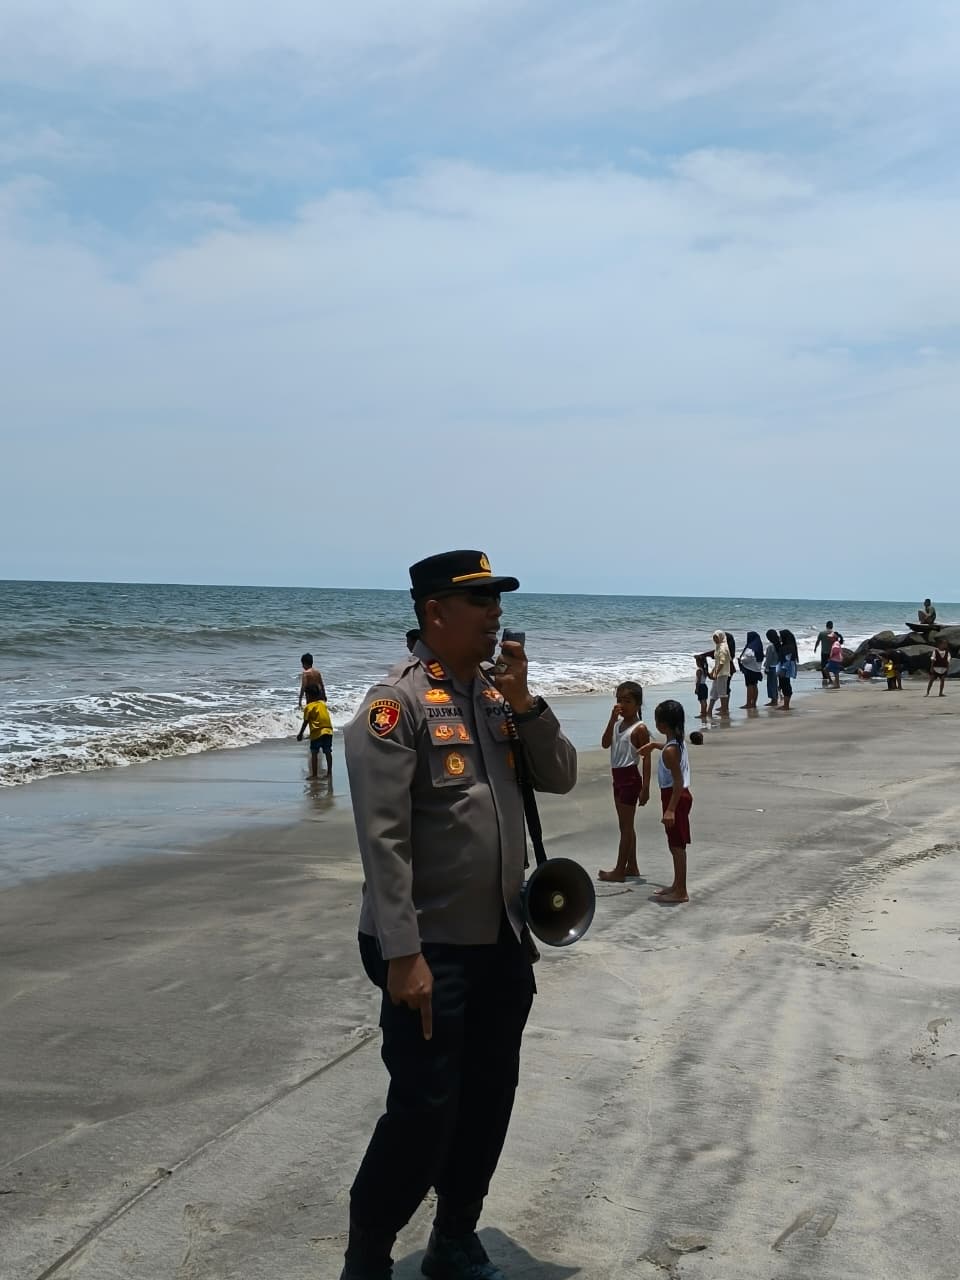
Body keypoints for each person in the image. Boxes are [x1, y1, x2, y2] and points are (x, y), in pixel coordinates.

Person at [340, 550, 577, 1280]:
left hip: (500, 942)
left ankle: (455, 1236)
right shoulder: (396, 705)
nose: (494, 615)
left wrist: (529, 700)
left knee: (487, 1099)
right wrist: (403, 954)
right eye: (479, 602)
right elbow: (381, 839)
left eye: (496, 601)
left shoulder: (500, 701)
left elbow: (561, 774)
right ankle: (368, 1254)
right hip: (427, 948)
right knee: (423, 1110)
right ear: (435, 612)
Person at [639, 699, 692, 904]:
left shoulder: (671, 751)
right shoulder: (676, 742)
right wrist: (654, 745)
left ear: (661, 725)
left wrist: (670, 810)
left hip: (675, 796)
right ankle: (677, 884)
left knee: (677, 845)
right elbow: (669, 750)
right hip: (677, 795)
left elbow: (678, 781)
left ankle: (682, 891)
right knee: (674, 843)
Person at [598, 682, 651, 882]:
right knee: (625, 825)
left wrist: (645, 788)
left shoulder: (640, 729)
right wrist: (611, 720)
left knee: (626, 827)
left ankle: (620, 869)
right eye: (619, 700)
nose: (622, 705)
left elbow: (646, 759)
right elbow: (604, 744)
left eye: (627, 701)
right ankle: (632, 865)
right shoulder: (618, 725)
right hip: (617, 776)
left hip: (630, 778)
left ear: (638, 704)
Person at [297, 684, 333, 778]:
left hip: (317, 733)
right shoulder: (322, 704)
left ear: (308, 696)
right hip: (328, 731)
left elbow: (306, 722)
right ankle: (329, 773)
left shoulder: (308, 707)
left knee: (314, 753)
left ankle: (314, 775)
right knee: (328, 752)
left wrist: (300, 734)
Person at [707, 630, 733, 718]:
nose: (715, 640)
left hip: (723, 673)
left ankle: (724, 710)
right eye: (714, 638)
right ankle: (709, 710)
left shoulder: (723, 648)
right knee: (714, 691)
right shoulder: (718, 647)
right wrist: (713, 671)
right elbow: (717, 662)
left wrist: (716, 672)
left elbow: (722, 663)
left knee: (722, 693)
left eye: (716, 638)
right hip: (718, 673)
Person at [738, 632, 764, 709]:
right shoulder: (758, 646)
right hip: (756, 669)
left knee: (749, 686)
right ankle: (754, 703)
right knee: (755, 685)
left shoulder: (751, 647)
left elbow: (747, 658)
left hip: (749, 669)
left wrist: (741, 660)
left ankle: (748, 703)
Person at [777, 629, 799, 710]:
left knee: (785, 685)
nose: (779, 637)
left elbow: (787, 659)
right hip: (785, 668)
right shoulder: (788, 645)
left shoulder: (788, 647)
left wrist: (783, 669)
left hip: (785, 668)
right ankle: (786, 704)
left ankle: (786, 705)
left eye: (780, 636)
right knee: (784, 684)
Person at [764, 630, 782, 706]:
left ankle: (774, 700)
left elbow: (768, 659)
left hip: (772, 667)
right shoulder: (780, 645)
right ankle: (778, 697)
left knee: (771, 684)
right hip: (778, 666)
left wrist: (766, 668)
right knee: (776, 684)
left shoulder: (770, 647)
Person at [694, 655, 709, 721]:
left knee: (702, 701)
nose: (696, 663)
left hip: (701, 686)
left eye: (696, 662)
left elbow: (698, 680)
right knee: (704, 700)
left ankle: (703, 713)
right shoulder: (705, 669)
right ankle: (704, 712)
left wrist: (696, 688)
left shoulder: (699, 670)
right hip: (704, 686)